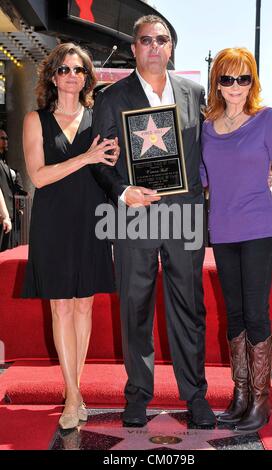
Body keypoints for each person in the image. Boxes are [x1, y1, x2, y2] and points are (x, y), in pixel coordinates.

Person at [91, 15, 216, 429]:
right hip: (134, 214)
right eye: (146, 40)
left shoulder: (194, 92)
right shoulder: (112, 97)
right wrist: (123, 192)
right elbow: (102, 160)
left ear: (171, 47)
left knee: (188, 307)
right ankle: (138, 395)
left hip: (184, 215)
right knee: (135, 306)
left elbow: (209, 152)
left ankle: (195, 394)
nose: (155, 47)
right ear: (134, 48)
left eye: (162, 40)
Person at [22, 43, 119, 429]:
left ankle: (73, 390)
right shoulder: (36, 120)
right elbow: (39, 176)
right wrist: (84, 158)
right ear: (52, 76)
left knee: (84, 306)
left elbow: (109, 168)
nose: (71, 76)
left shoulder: (99, 118)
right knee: (61, 306)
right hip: (54, 223)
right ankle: (72, 396)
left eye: (78, 70)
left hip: (92, 220)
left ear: (87, 77)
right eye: (63, 69)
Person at [200, 47, 272, 433]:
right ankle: (240, 394)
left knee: (256, 313)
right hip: (222, 231)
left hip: (259, 229)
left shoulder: (266, 120)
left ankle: (261, 400)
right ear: (217, 83)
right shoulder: (206, 127)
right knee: (235, 313)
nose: (236, 86)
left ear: (252, 81)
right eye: (228, 78)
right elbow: (203, 180)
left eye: (243, 78)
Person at [0, 129, 27, 250]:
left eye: (7, 139)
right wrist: (4, 215)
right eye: (3, 139)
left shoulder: (5, 163)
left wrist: (19, 208)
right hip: (3, 215)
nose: (6, 142)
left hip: (10, 216)